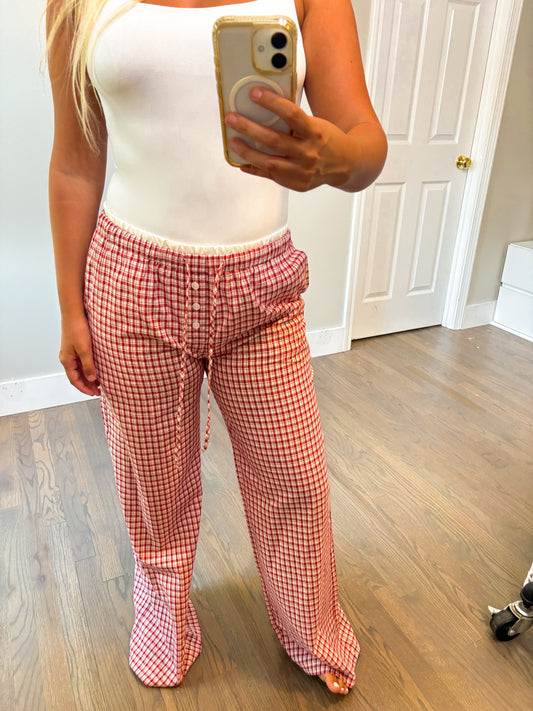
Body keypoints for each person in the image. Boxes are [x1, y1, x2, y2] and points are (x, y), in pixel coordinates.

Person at [46, 0, 387, 696]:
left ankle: (312, 625)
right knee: (153, 481)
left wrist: (334, 158)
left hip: (262, 282)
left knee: (294, 476)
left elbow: (365, 143)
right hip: (130, 277)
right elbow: (76, 163)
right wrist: (69, 310)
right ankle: (163, 619)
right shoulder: (74, 5)